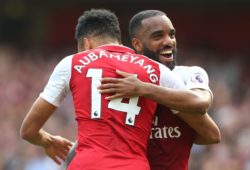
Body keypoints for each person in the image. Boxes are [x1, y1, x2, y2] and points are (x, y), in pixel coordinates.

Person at [20, 9, 204, 170]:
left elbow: (28, 130)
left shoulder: (72, 63)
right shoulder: (155, 69)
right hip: (133, 165)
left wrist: (47, 141)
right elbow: (198, 106)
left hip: (86, 165)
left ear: (86, 44)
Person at [98, 10, 221, 170]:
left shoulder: (188, 74)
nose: (169, 41)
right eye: (158, 36)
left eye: (171, 35)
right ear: (137, 44)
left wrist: (143, 89)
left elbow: (202, 106)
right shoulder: (123, 82)